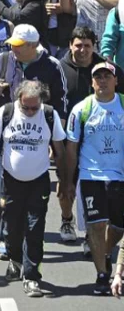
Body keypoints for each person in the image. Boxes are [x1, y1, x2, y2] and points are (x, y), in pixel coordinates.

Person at [0, 80, 69, 298]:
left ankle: (31, 276)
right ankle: (15, 258)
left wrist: (65, 180)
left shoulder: (49, 115)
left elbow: (60, 148)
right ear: (18, 100)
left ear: (41, 102)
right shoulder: (6, 112)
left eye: (34, 108)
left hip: (38, 180)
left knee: (35, 227)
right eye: (26, 107)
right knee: (12, 224)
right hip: (11, 180)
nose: (30, 112)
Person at [66, 61, 124, 296]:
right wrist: (68, 180)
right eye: (97, 77)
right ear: (91, 82)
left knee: (118, 227)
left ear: (115, 80)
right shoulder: (82, 109)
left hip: (119, 176)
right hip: (91, 176)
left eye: (106, 77)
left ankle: (105, 253)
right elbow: (71, 147)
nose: (102, 80)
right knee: (97, 225)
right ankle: (102, 273)